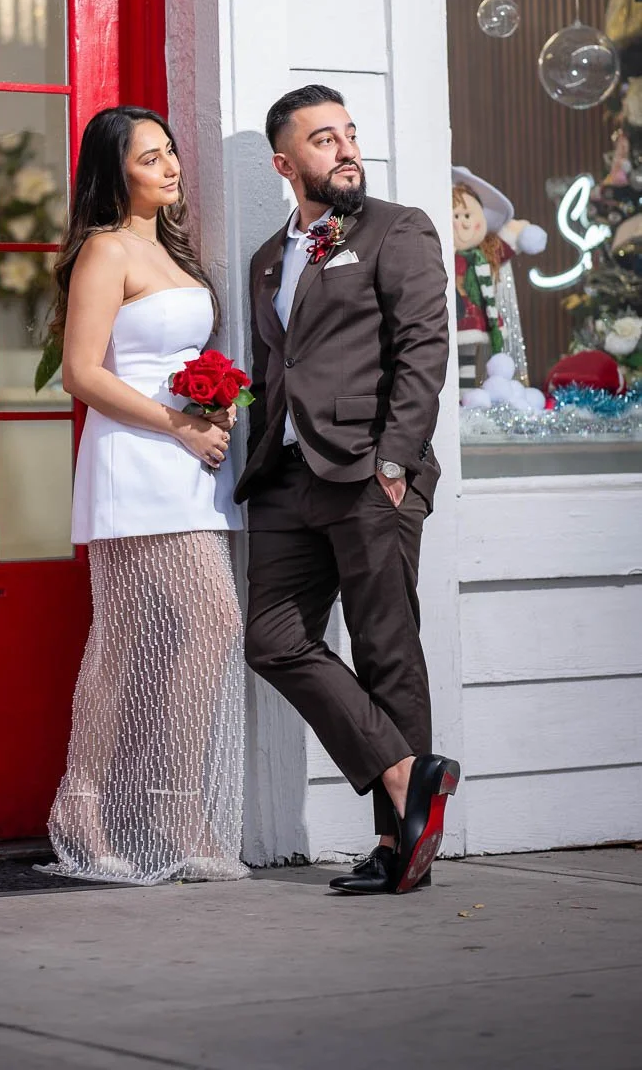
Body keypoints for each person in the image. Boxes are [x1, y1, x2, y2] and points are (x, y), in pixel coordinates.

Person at [236, 84, 457, 895]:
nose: (346, 149)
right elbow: (282, 364)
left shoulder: (394, 229)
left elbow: (423, 349)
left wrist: (394, 461)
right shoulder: (276, 253)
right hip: (288, 478)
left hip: (367, 471)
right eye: (324, 139)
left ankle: (402, 849)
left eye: (350, 133)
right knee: (271, 638)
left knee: (384, 651)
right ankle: (407, 778)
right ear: (285, 163)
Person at [40, 106, 248, 885]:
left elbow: (181, 354)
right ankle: (112, 804)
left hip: (189, 461)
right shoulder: (104, 250)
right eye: (149, 158)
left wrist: (215, 403)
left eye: (170, 153)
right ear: (113, 172)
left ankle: (146, 804)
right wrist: (178, 423)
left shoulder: (170, 250)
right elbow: (83, 373)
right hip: (136, 457)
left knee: (133, 638)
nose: (170, 168)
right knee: (196, 623)